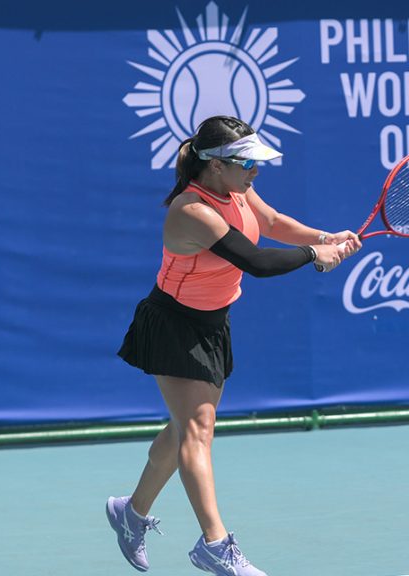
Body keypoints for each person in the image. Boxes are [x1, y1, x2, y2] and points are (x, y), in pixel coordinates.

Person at [106, 115, 360, 575]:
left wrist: (324, 237)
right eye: (247, 164)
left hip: (213, 323)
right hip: (174, 325)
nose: (255, 172)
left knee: (185, 429)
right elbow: (257, 261)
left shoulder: (237, 189)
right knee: (198, 429)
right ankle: (215, 545)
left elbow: (273, 222)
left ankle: (131, 512)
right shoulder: (191, 211)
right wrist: (312, 257)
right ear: (216, 166)